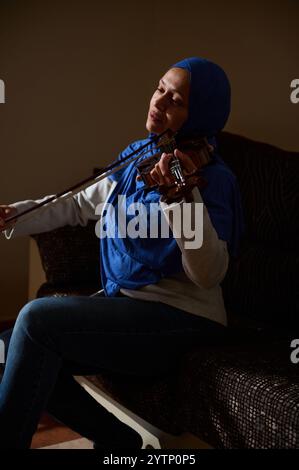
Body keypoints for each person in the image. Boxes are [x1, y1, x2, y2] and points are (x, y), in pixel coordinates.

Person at [0, 57, 244, 449]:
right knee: (9, 345)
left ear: (200, 114)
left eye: (177, 100)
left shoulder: (210, 179)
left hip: (184, 321)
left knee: (35, 318)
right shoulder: (137, 158)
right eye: (160, 87)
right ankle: (119, 443)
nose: (160, 102)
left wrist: (180, 198)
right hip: (128, 309)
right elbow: (78, 204)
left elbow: (208, 274)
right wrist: (13, 215)